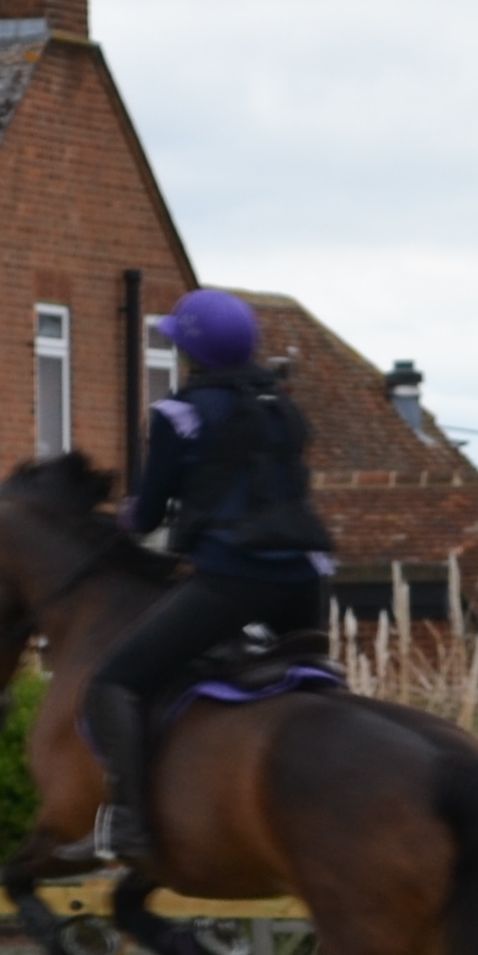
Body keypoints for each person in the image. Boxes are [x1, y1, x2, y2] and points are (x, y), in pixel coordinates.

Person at [89, 287, 337, 867]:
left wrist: (126, 514)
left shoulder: (178, 414)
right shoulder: (284, 405)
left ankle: (130, 825)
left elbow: (148, 516)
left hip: (234, 580)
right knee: (304, 681)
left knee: (113, 683)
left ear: (190, 354)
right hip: (308, 581)